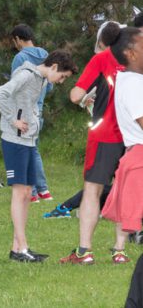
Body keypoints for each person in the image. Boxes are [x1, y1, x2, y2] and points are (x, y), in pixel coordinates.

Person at [0, 50, 75, 262]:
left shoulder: (41, 80)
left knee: (28, 192)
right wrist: (13, 120)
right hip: (15, 140)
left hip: (28, 140)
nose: (61, 81)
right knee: (20, 193)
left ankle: (17, 247)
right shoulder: (27, 75)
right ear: (54, 66)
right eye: (63, 76)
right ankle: (22, 248)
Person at [60, 21, 129, 265]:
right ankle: (119, 250)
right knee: (125, 190)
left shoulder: (101, 59)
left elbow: (76, 95)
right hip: (132, 136)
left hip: (105, 135)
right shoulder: (136, 59)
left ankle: (84, 251)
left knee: (92, 190)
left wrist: (91, 95)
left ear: (102, 41)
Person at [99, 26, 143, 265]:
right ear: (131, 53)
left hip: (134, 152)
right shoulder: (133, 84)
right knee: (130, 205)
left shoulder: (131, 79)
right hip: (139, 152)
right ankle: (118, 248)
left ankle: (119, 249)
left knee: (129, 203)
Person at [10, 24, 53, 202]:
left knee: (27, 150)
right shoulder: (45, 54)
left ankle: (35, 192)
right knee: (32, 148)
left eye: (14, 41)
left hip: (23, 108)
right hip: (38, 107)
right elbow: (50, 84)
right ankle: (42, 191)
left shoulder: (20, 58)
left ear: (18, 39)